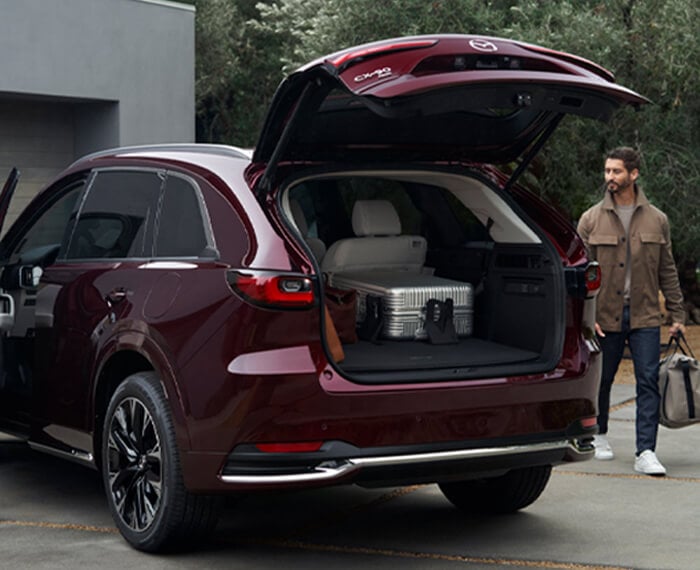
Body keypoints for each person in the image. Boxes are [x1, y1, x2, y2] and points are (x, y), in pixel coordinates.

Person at [577, 146, 686, 476]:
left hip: (645, 315)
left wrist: (678, 315)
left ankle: (646, 451)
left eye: (616, 171)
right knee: (603, 379)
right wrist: (586, 317)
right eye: (607, 171)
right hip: (604, 316)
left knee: (648, 381)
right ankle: (601, 435)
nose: (609, 177)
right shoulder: (590, 219)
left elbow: (667, 269)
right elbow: (580, 275)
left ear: (633, 174)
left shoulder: (657, 220)